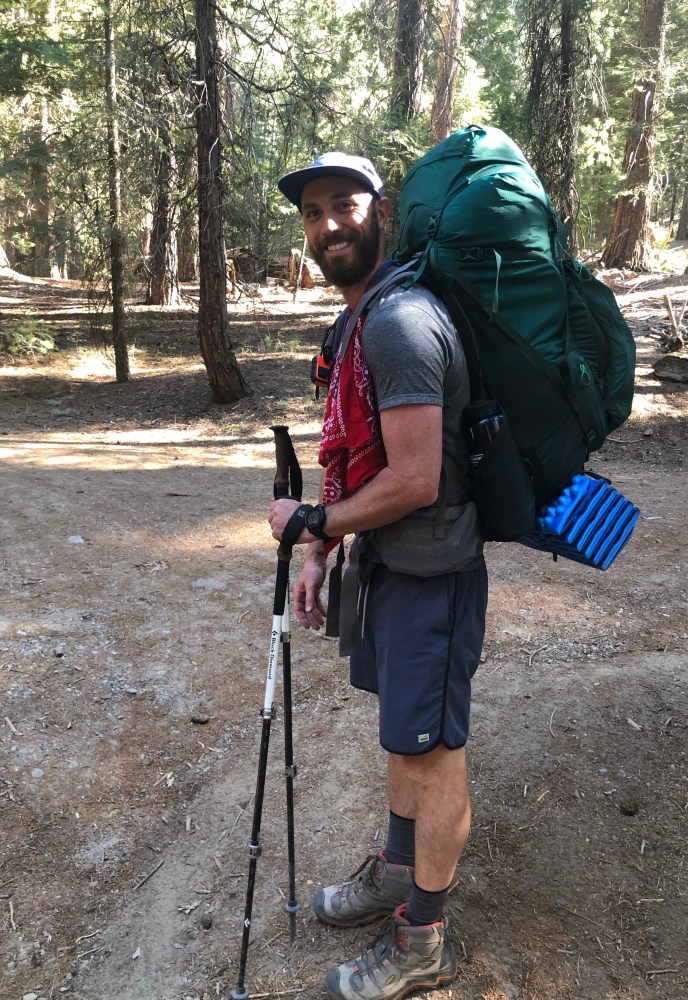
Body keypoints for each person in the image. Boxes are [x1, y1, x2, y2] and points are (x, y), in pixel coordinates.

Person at [269, 151, 487, 1000]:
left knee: (433, 754)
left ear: (381, 212)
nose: (328, 225)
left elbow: (417, 479)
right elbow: (353, 456)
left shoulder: (399, 323)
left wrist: (314, 523)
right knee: (405, 737)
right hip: (392, 565)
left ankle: (423, 939)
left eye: (344, 206)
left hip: (433, 572)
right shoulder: (356, 321)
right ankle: (399, 869)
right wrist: (322, 553)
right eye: (313, 213)